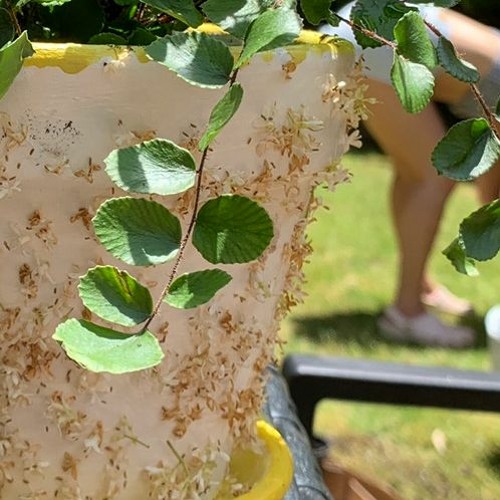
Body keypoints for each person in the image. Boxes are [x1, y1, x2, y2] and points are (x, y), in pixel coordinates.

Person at [321, 3, 500, 348]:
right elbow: (491, 193)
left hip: (363, 29)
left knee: (414, 174)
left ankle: (420, 289)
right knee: (434, 177)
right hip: (373, 48)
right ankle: (406, 314)